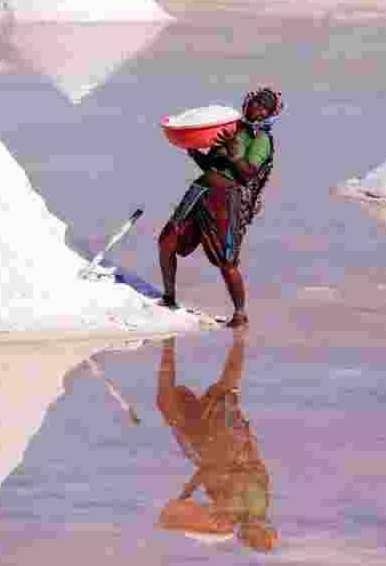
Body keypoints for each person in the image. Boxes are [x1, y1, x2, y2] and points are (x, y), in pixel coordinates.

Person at [158, 88, 283, 328]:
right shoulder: (231, 130)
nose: (255, 109)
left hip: (227, 199)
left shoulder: (261, 140)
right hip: (201, 191)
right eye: (254, 103)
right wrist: (195, 153)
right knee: (167, 241)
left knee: (227, 260)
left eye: (262, 108)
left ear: (268, 114)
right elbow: (212, 166)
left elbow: (246, 173)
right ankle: (168, 297)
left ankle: (239, 313)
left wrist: (234, 154)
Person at [155, 332, 278, 553]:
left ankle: (168, 342)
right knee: (226, 389)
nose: (244, 536)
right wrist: (187, 495)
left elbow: (210, 471)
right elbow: (222, 470)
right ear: (259, 529)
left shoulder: (234, 517)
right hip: (228, 441)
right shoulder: (256, 505)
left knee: (168, 404)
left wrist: (187, 500)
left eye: (248, 540)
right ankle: (240, 336)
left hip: (208, 447)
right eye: (251, 537)